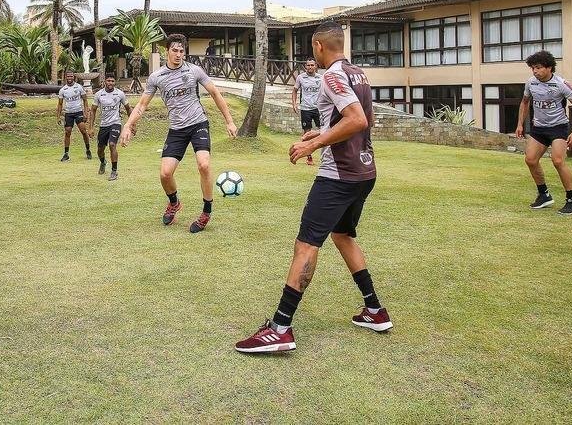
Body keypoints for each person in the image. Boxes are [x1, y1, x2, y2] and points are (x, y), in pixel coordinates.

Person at [235, 22, 390, 354]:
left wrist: (315, 144)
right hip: (365, 170)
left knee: (306, 245)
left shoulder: (331, 76)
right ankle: (375, 310)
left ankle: (279, 328)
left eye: (312, 49)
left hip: (338, 176)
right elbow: (364, 120)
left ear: (319, 46)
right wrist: (318, 134)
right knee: (343, 235)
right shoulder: (358, 74)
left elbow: (357, 120)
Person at [120, 33, 238, 233]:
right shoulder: (156, 77)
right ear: (167, 51)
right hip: (176, 129)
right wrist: (128, 126)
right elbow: (141, 105)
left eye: (182, 51)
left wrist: (230, 121)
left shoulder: (194, 71)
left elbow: (215, 93)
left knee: (204, 164)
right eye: (174, 50)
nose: (178, 54)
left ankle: (206, 212)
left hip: (198, 123)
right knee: (165, 174)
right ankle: (174, 203)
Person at [515, 50, 572, 215]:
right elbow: (525, 102)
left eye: (538, 68)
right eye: (533, 68)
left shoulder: (561, 84)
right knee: (531, 160)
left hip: (558, 127)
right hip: (539, 127)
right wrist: (520, 124)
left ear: (549, 68)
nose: (535, 71)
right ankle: (544, 195)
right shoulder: (531, 83)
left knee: (557, 161)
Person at [89, 74, 131, 180]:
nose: (110, 83)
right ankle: (103, 162)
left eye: (112, 81)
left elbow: (128, 108)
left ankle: (114, 171)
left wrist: (131, 124)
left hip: (115, 123)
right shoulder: (99, 94)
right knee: (100, 149)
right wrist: (91, 127)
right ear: (104, 82)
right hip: (103, 125)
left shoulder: (119, 94)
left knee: (112, 144)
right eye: (108, 81)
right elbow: (93, 111)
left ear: (114, 82)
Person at [291, 58, 323, 166]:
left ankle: (326, 156)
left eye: (312, 65)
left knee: (324, 131)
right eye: (308, 65)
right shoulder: (301, 78)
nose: (310, 67)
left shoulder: (321, 78)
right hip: (305, 109)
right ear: (305, 67)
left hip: (318, 109)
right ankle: (309, 157)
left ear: (316, 66)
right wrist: (294, 104)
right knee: (306, 134)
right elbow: (294, 90)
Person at [57, 71, 91, 162]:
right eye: (68, 76)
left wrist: (86, 113)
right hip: (69, 113)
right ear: (65, 77)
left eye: (71, 76)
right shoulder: (63, 90)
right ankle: (66, 154)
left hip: (78, 112)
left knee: (83, 131)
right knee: (67, 132)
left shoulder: (79, 87)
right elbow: (60, 104)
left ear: (73, 77)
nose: (69, 78)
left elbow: (85, 100)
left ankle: (88, 150)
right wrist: (58, 116)